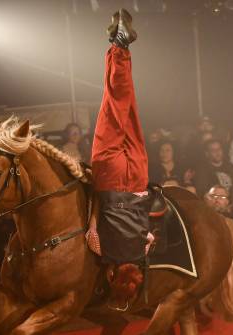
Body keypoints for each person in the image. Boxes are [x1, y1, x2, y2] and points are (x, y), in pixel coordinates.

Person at [87, 9, 150, 275]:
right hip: (110, 180)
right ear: (113, 277)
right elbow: (92, 226)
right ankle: (118, 45)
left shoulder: (142, 250)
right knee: (111, 106)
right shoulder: (101, 251)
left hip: (137, 180)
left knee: (128, 105)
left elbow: (149, 232)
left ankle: (118, 47)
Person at [193, 139, 233, 204]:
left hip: (231, 204)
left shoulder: (231, 167)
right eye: (213, 150)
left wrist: (231, 202)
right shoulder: (202, 170)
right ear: (207, 153)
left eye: (219, 149)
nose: (217, 152)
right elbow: (202, 191)